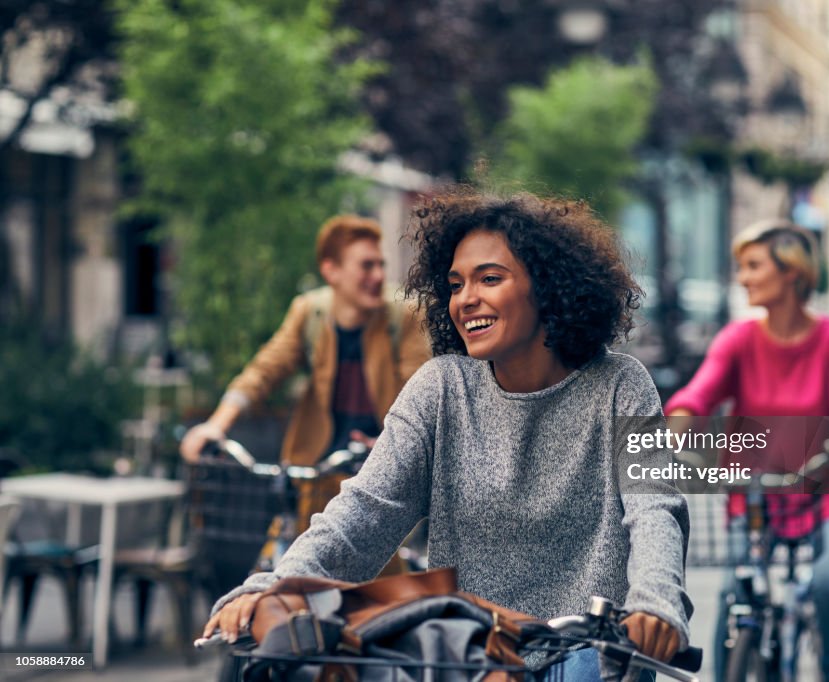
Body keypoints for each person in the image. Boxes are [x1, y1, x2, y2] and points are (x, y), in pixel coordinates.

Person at [204, 191, 694, 677]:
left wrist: (654, 603)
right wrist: (273, 586)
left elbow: (654, 506)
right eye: (456, 284)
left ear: (547, 287)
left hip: (588, 657)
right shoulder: (442, 388)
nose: (466, 299)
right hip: (469, 657)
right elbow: (364, 513)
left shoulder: (620, 385)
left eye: (490, 278)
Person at [664, 219, 829, 682]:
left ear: (791, 272)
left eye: (752, 266)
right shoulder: (738, 339)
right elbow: (698, 395)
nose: (742, 278)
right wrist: (669, 436)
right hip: (758, 490)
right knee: (733, 593)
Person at [179, 215, 431, 592]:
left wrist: (396, 442)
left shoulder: (402, 315)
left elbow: (419, 388)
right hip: (316, 465)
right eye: (366, 265)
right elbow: (265, 370)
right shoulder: (310, 313)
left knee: (376, 586)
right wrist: (218, 423)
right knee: (297, 575)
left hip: (377, 465)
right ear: (331, 271)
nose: (378, 275)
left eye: (380, 264)